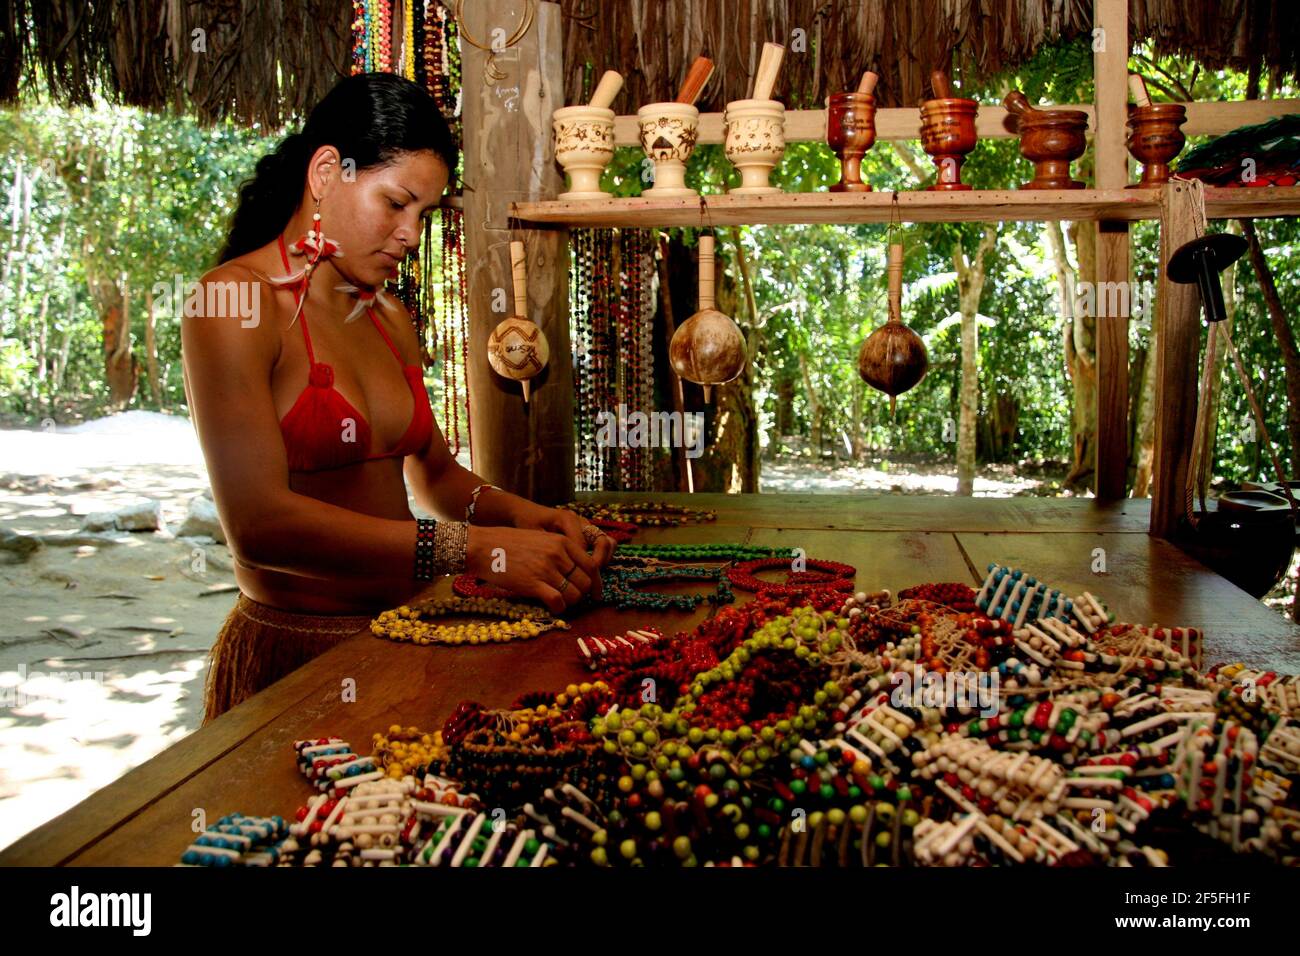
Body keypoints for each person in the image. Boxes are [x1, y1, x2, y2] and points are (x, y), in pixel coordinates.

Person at [182, 73, 613, 723]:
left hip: (407, 633)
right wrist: (472, 549)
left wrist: (528, 519)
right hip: (296, 655)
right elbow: (258, 527)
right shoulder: (233, 304)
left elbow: (437, 475)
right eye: (395, 203)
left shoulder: (387, 316)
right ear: (326, 171)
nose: (411, 235)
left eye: (425, 215)